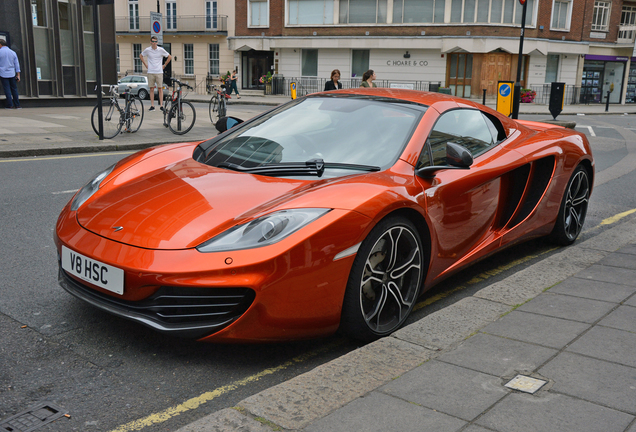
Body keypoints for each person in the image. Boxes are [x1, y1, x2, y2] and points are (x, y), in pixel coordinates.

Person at [140, 36, 172, 111]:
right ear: (151, 42)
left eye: (155, 41)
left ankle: (161, 105)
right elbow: (141, 55)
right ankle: (152, 106)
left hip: (159, 71)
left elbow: (169, 56)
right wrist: (145, 64)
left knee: (160, 88)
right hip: (151, 71)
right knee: (151, 89)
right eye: (153, 41)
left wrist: (164, 65)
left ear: (157, 42)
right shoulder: (148, 50)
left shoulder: (161, 50)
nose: (154, 43)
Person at [0, 39, 21, 109]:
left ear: (0, 44)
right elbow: (17, 65)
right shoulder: (13, 53)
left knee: (7, 89)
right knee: (14, 89)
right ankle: (17, 105)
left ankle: (10, 105)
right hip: (12, 73)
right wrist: (18, 75)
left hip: (3, 73)